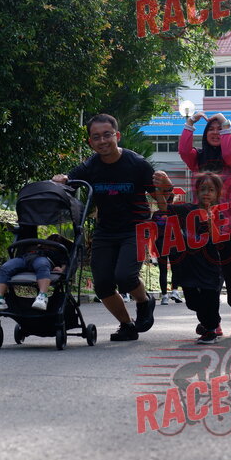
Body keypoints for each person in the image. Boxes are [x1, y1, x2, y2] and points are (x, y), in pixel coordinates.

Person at [52, 114, 164, 341]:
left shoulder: (137, 164)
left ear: (117, 136)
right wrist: (60, 179)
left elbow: (161, 201)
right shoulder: (90, 166)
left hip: (135, 228)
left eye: (107, 135)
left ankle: (144, 301)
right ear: (90, 142)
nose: (102, 141)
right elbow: (68, 181)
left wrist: (165, 192)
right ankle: (127, 325)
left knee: (125, 276)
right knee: (102, 284)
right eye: (96, 137)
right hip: (105, 231)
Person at [178, 110, 231, 335]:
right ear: (205, 134)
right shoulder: (197, 159)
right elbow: (183, 150)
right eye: (212, 129)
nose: (216, 132)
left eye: (220, 129)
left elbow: (228, 152)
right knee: (207, 276)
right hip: (202, 226)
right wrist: (190, 122)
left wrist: (226, 123)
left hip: (230, 226)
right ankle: (212, 322)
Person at [154, 171, 225, 344]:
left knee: (210, 299)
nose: (206, 193)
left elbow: (218, 240)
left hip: (210, 266)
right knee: (192, 302)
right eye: (203, 189)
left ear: (217, 194)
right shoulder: (186, 209)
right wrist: (159, 189)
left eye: (211, 190)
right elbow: (164, 208)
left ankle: (210, 329)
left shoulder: (220, 213)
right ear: (196, 191)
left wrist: (211, 223)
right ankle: (209, 322)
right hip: (188, 265)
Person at [0, 233, 72, 312]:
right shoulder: (38, 245)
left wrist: (61, 269)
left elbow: (65, 263)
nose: (53, 240)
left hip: (42, 259)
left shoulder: (59, 252)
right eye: (51, 239)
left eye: (56, 240)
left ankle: (42, 296)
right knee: (5, 267)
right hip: (25, 258)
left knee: (42, 265)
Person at [152, 191, 184, 306]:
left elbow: (152, 230)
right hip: (173, 242)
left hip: (160, 243)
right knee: (176, 268)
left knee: (163, 270)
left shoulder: (156, 214)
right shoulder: (176, 213)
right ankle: (174, 291)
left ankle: (164, 296)